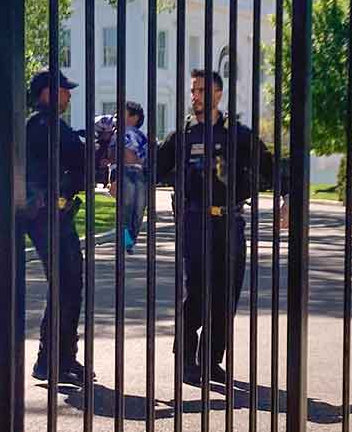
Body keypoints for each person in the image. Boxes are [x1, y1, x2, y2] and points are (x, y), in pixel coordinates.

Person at [156, 69, 288, 385]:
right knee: (198, 293)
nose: (195, 96)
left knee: (226, 295)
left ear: (218, 94)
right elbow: (154, 168)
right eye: (193, 90)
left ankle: (211, 361)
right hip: (194, 221)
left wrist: (288, 199)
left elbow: (271, 167)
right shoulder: (183, 136)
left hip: (230, 222)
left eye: (201, 90)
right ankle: (186, 358)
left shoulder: (238, 135)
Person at [23, 69, 91, 385]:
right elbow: (79, 162)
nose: (69, 95)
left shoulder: (50, 127)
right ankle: (49, 360)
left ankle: (61, 359)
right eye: (64, 90)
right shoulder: (44, 127)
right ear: (48, 94)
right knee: (65, 285)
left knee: (69, 285)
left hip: (57, 216)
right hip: (46, 217)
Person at [105, 101, 148, 255]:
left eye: (122, 112)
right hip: (123, 172)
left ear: (134, 117)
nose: (117, 116)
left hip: (139, 174)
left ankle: (130, 241)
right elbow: (112, 156)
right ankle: (124, 242)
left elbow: (145, 158)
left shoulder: (141, 136)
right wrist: (112, 179)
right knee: (126, 209)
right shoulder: (116, 133)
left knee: (139, 209)